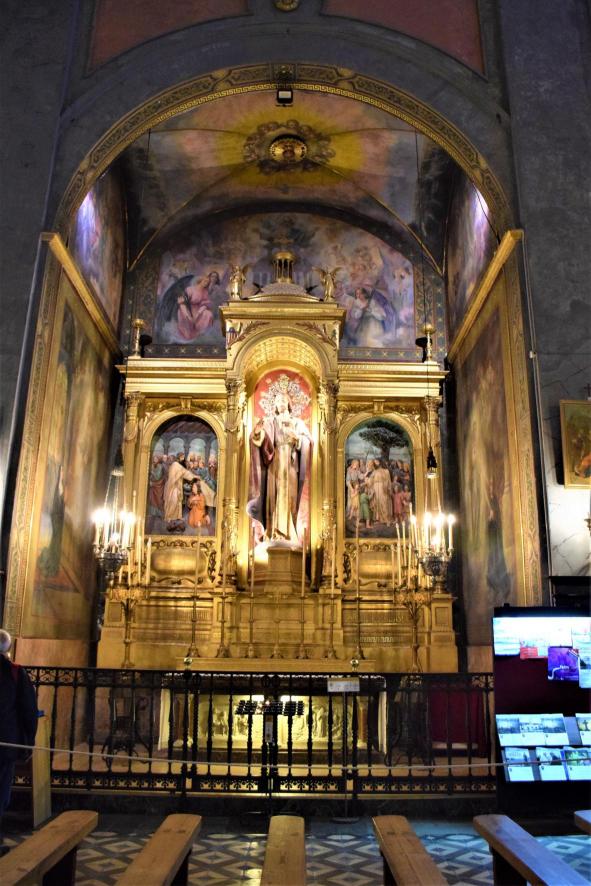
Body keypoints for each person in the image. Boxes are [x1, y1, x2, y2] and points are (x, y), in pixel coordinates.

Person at [248, 391, 312, 543]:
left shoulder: (297, 422)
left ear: (289, 404)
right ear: (275, 405)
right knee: (274, 495)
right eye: (278, 400)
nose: (281, 402)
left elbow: (308, 441)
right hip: (275, 462)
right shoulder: (270, 421)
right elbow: (261, 439)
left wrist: (297, 438)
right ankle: (272, 531)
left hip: (291, 462)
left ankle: (290, 534)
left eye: (284, 400)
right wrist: (257, 433)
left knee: (290, 495)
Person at [0, 630, 38, 855]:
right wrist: (28, 742)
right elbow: (28, 709)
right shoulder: (14, 672)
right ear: (8, 649)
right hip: (5, 744)